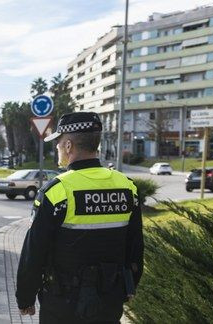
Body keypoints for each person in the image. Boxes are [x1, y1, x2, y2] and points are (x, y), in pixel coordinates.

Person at [15, 112, 143, 323]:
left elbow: (34, 250)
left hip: (62, 303)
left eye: (57, 143)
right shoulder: (127, 187)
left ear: (68, 146)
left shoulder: (58, 190)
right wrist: (130, 286)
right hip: (109, 300)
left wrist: (25, 298)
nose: (56, 148)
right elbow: (135, 246)